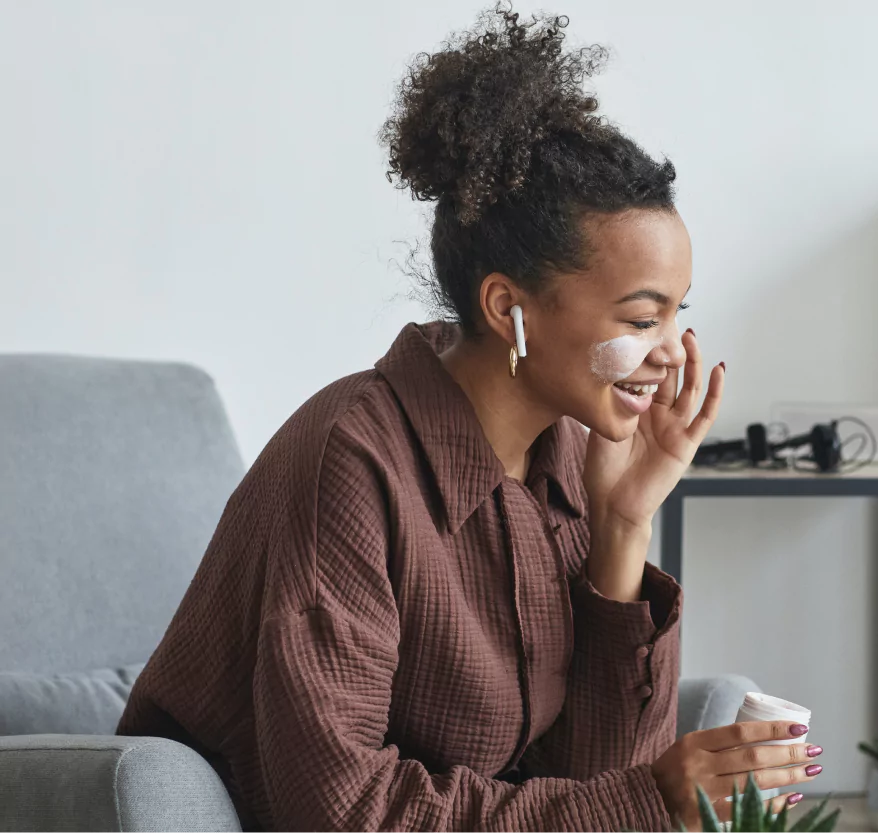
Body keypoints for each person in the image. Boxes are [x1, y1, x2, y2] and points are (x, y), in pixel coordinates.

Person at [116, 4, 823, 831]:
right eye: (640, 319)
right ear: (508, 308)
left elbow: (592, 793)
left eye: (678, 315)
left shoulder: (567, 458)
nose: (673, 351)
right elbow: (340, 810)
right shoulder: (351, 462)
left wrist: (622, 526)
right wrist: (651, 797)